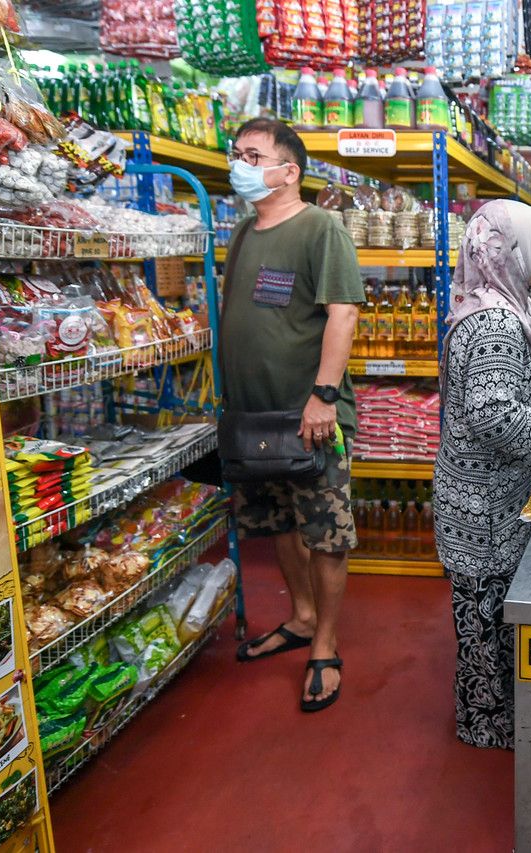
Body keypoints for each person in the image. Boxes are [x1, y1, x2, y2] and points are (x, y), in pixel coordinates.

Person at [222, 118, 364, 713]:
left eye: (253, 155)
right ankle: (302, 617)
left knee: (326, 535)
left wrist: (324, 396)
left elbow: (343, 314)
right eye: (237, 153)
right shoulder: (243, 233)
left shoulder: (319, 228)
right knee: (278, 524)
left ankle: (325, 645)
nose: (240, 163)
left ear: (289, 171)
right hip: (254, 419)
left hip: (311, 418)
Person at [434, 199, 531, 749]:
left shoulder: (509, 308)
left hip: (494, 508)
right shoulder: (493, 324)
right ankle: (485, 728)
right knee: (484, 628)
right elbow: (494, 418)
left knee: (493, 624)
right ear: (511, 253)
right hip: (483, 519)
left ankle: (498, 718)